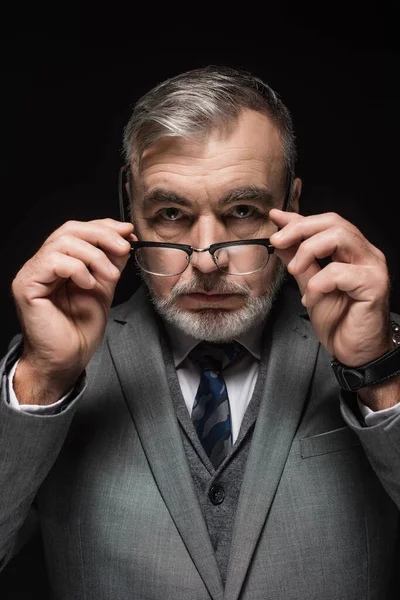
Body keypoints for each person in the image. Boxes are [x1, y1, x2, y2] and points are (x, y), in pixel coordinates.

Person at [1, 65, 400, 600]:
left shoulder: (380, 351)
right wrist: (43, 381)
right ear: (129, 207)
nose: (207, 260)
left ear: (293, 205)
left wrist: (374, 372)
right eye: (171, 213)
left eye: (241, 211)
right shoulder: (47, 370)